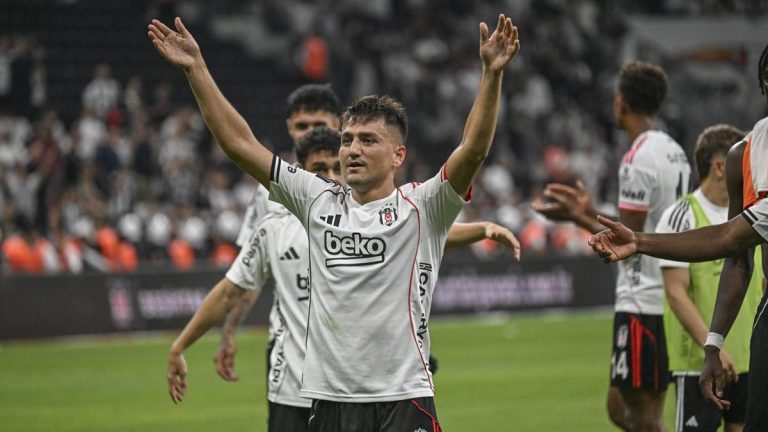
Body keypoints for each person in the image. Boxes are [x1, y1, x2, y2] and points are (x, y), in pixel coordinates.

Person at [151, 13, 519, 430]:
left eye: (368, 140)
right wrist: (196, 68)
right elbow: (239, 144)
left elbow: (472, 150)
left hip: (403, 397)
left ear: (398, 155)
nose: (352, 150)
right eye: (347, 140)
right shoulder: (315, 200)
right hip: (330, 403)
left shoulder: (424, 205)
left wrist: (491, 75)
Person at [589, 47, 768, 431]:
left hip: (644, 301)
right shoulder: (696, 153)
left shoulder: (641, 156)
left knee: (635, 415)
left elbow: (727, 239)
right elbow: (734, 249)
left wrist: (634, 239)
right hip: (727, 329)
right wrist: (713, 343)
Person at [532, 61, 691, 431]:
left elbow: (627, 240)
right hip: (667, 291)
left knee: (643, 418)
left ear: (622, 103)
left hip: (642, 299)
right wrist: (587, 214)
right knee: (619, 407)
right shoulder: (674, 150)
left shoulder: (637, 159)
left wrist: (579, 216)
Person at [655, 125, 761, 432]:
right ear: (720, 167)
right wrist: (713, 345)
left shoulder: (753, 217)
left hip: (748, 360)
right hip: (699, 364)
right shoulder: (682, 215)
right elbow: (676, 294)